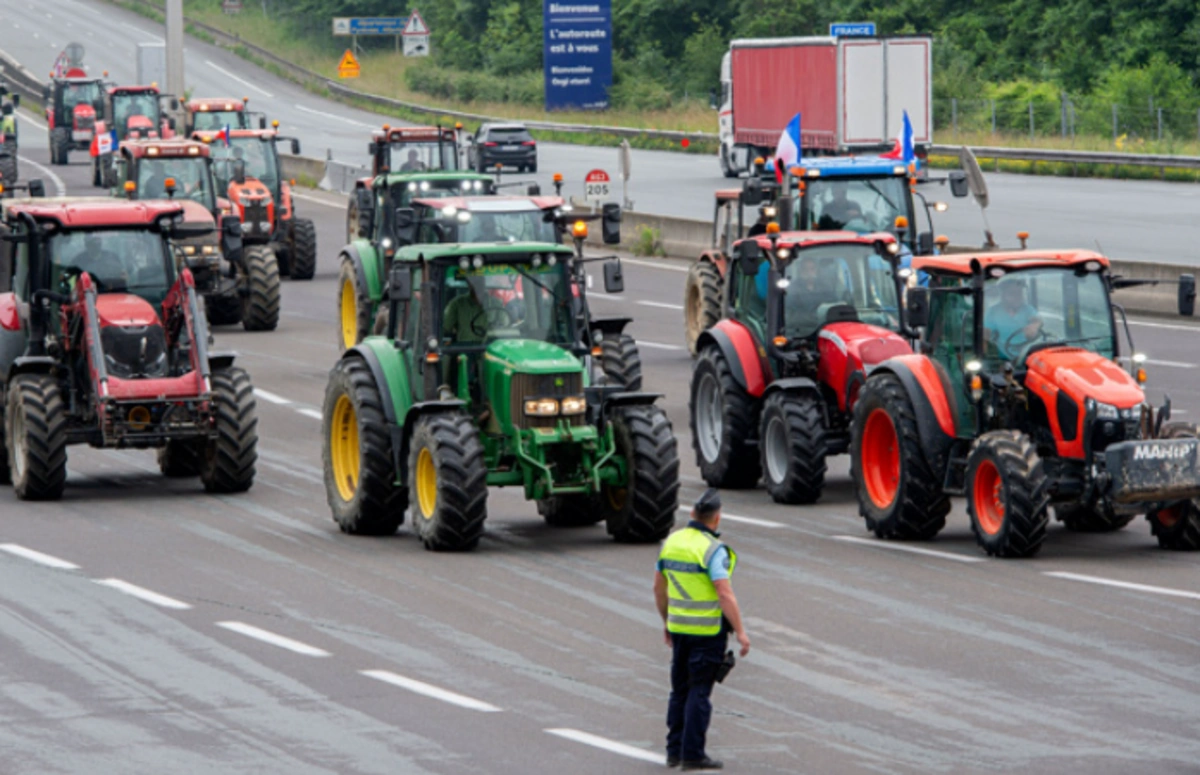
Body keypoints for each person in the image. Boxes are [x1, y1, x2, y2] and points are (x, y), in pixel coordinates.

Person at [655, 488, 750, 771]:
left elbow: (658, 588)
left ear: (693, 514)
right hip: (707, 634)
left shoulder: (671, 542)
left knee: (679, 691)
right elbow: (724, 592)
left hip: (679, 629)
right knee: (699, 692)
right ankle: (693, 754)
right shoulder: (711, 550)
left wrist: (666, 623)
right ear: (716, 518)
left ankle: (673, 752)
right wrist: (741, 631)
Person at [985, 278, 1041, 358]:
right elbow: (985, 335)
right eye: (1012, 294)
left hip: (1025, 353)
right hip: (1002, 356)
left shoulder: (1027, 309)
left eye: (1019, 293)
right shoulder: (993, 312)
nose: (1017, 297)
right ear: (1003, 295)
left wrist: (1034, 326)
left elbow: (1036, 320)